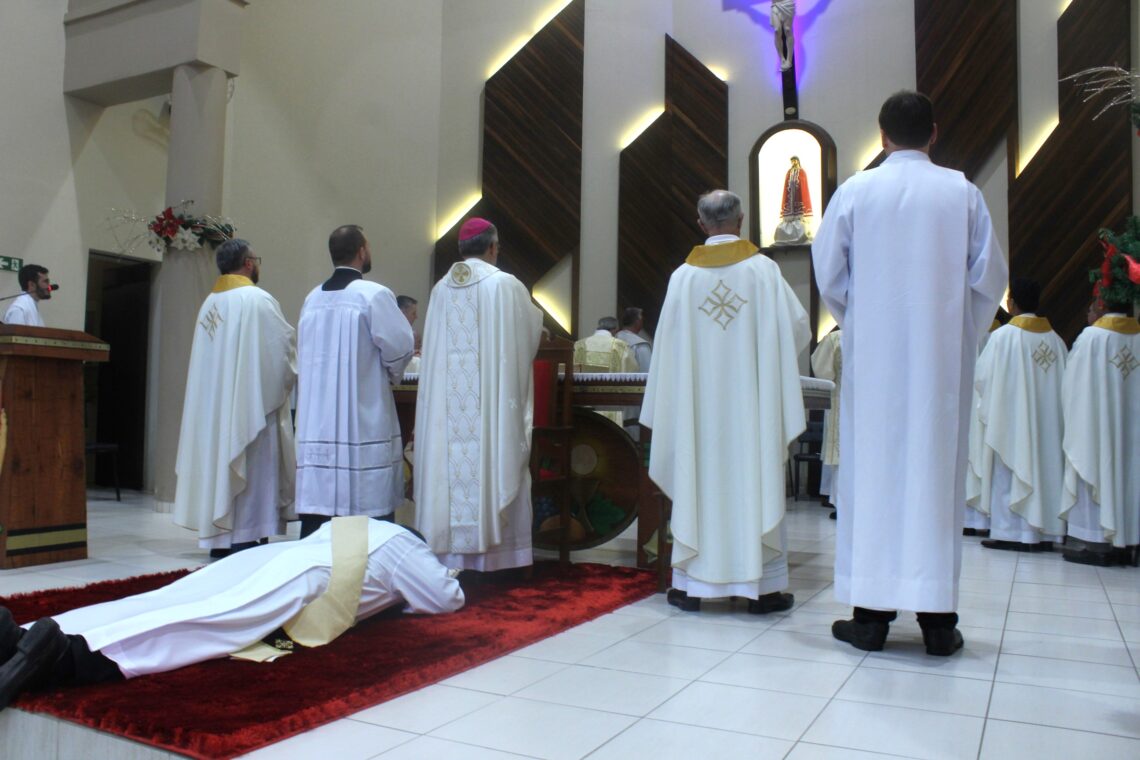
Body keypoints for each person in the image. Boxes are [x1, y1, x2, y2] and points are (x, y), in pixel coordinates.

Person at [811, 91, 1007, 655]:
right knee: (932, 475)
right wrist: (954, 333)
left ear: (881, 135)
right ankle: (938, 624)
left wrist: (864, 319)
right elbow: (988, 278)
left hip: (875, 363)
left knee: (875, 476)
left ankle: (870, 619)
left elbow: (828, 274)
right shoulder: (961, 193)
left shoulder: (856, 191)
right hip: (939, 364)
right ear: (934, 133)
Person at [0, 519, 464, 710]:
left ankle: (20, 637)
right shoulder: (406, 544)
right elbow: (444, 598)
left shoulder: (360, 524)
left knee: (167, 599)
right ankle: (64, 657)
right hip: (306, 578)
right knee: (206, 623)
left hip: (270, 557)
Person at [642, 189, 808, 615]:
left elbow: (666, 353)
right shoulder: (764, 272)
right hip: (753, 412)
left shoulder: (683, 278)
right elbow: (797, 329)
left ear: (701, 223)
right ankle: (763, 589)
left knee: (696, 477)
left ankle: (692, 587)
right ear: (742, 219)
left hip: (697, 415)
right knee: (755, 478)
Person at [413, 217, 543, 572]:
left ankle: (448, 554)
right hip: (489, 410)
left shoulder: (441, 289)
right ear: (491, 248)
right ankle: (498, 556)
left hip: (447, 411)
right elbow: (528, 336)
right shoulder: (505, 286)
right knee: (491, 454)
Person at [173, 239, 297, 556]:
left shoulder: (209, 304)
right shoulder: (257, 300)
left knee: (221, 462)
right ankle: (246, 534)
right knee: (251, 463)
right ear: (248, 263)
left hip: (214, 410)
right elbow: (280, 352)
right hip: (248, 407)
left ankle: (220, 537)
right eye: (256, 259)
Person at [295, 225, 415, 538]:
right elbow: (400, 346)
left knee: (319, 511)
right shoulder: (373, 294)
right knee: (366, 505)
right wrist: (391, 370)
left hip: (318, 419)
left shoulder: (312, 299)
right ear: (362, 251)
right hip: (361, 414)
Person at [969, 278, 1067, 553]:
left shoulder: (1002, 338)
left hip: (1011, 424)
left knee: (1008, 470)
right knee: (1045, 470)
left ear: (1011, 303)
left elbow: (982, 380)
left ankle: (1010, 532)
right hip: (1048, 429)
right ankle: (1043, 532)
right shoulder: (1056, 341)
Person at [1058, 251, 1139, 566]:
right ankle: (1130, 539)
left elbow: (1073, 387)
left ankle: (1096, 542)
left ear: (1101, 305)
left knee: (1098, 464)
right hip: (1133, 434)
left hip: (1099, 429)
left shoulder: (1092, 339)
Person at [810, 326, 841, 516]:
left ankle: (841, 504)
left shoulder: (835, 339)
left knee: (841, 459)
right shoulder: (880, 334)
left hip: (843, 403)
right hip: (872, 407)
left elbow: (824, 373)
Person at [573, 317, 638, 373]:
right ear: (615, 329)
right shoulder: (620, 346)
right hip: (611, 387)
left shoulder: (579, 344)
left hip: (583, 386)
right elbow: (631, 370)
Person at [774, 156, 813, 245]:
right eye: (792, 161)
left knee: (800, 214)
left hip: (798, 195)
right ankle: (789, 220)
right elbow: (786, 184)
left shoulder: (802, 172)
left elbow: (804, 185)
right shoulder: (789, 172)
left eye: (795, 161)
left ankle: (798, 220)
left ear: (798, 161)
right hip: (790, 195)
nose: (794, 163)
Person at [615, 307, 653, 372]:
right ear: (638, 321)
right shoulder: (640, 344)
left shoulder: (613, 339)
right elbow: (646, 371)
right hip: (632, 382)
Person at [770, 0, 796, 71]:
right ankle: (782, 58)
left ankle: (789, 60)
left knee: (788, 30)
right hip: (775, 5)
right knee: (777, 30)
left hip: (788, 4)